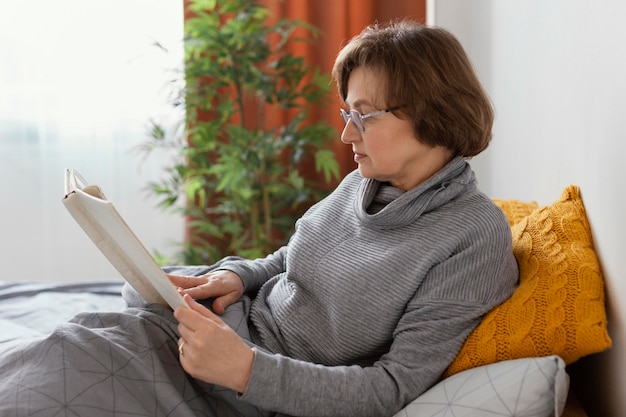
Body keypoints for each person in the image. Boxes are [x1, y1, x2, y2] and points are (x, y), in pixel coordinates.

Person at [0, 19, 518, 417]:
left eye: (363, 115)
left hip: (246, 383)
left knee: (61, 371)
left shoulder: (472, 238)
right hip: (230, 327)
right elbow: (294, 258)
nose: (346, 136)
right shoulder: (366, 182)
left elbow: (391, 390)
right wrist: (236, 276)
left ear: (432, 112)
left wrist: (244, 369)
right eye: (346, 114)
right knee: (80, 335)